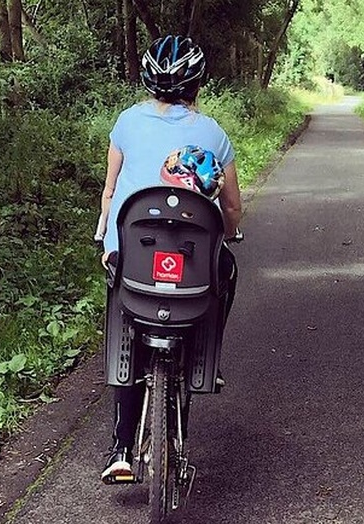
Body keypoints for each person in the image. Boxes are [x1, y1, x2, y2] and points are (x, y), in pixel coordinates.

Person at [93, 35, 242, 483]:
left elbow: (110, 189)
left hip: (132, 254)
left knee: (122, 310)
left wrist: (106, 234)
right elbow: (231, 207)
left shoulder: (125, 123)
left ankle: (120, 447)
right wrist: (231, 233)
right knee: (223, 277)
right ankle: (206, 360)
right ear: (197, 84)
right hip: (192, 264)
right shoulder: (214, 134)